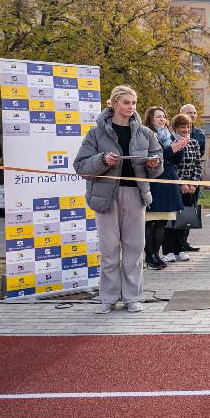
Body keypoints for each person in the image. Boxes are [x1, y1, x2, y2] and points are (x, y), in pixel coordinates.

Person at [74, 86, 162, 313]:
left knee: (134, 247)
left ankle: (133, 297)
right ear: (114, 103)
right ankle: (108, 297)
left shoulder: (145, 133)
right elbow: (81, 166)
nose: (131, 107)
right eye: (126, 102)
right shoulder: (96, 133)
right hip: (106, 197)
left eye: (133, 103)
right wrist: (103, 160)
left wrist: (154, 164)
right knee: (110, 249)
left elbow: (158, 162)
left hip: (136, 195)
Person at [142, 106, 187, 270]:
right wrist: (171, 150)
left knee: (162, 221)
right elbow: (154, 158)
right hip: (155, 181)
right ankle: (149, 255)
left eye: (164, 116)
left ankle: (156, 254)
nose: (162, 119)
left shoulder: (168, 135)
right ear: (150, 119)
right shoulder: (147, 134)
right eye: (158, 117)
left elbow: (176, 160)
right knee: (150, 221)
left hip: (169, 180)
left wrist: (180, 147)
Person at [164, 113, 201, 260]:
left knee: (184, 219)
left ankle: (180, 249)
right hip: (174, 185)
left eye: (188, 126)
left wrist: (193, 183)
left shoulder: (194, 143)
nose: (185, 129)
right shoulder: (170, 142)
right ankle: (168, 251)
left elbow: (198, 164)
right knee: (171, 219)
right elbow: (170, 166)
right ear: (175, 128)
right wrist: (181, 183)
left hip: (190, 187)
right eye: (182, 126)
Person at [178, 104, 207, 253]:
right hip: (178, 180)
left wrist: (194, 182)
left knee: (190, 211)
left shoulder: (199, 134)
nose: (193, 115)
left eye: (195, 113)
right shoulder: (173, 133)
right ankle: (174, 245)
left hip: (193, 179)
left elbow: (199, 157)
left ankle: (184, 241)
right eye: (189, 112)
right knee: (176, 213)